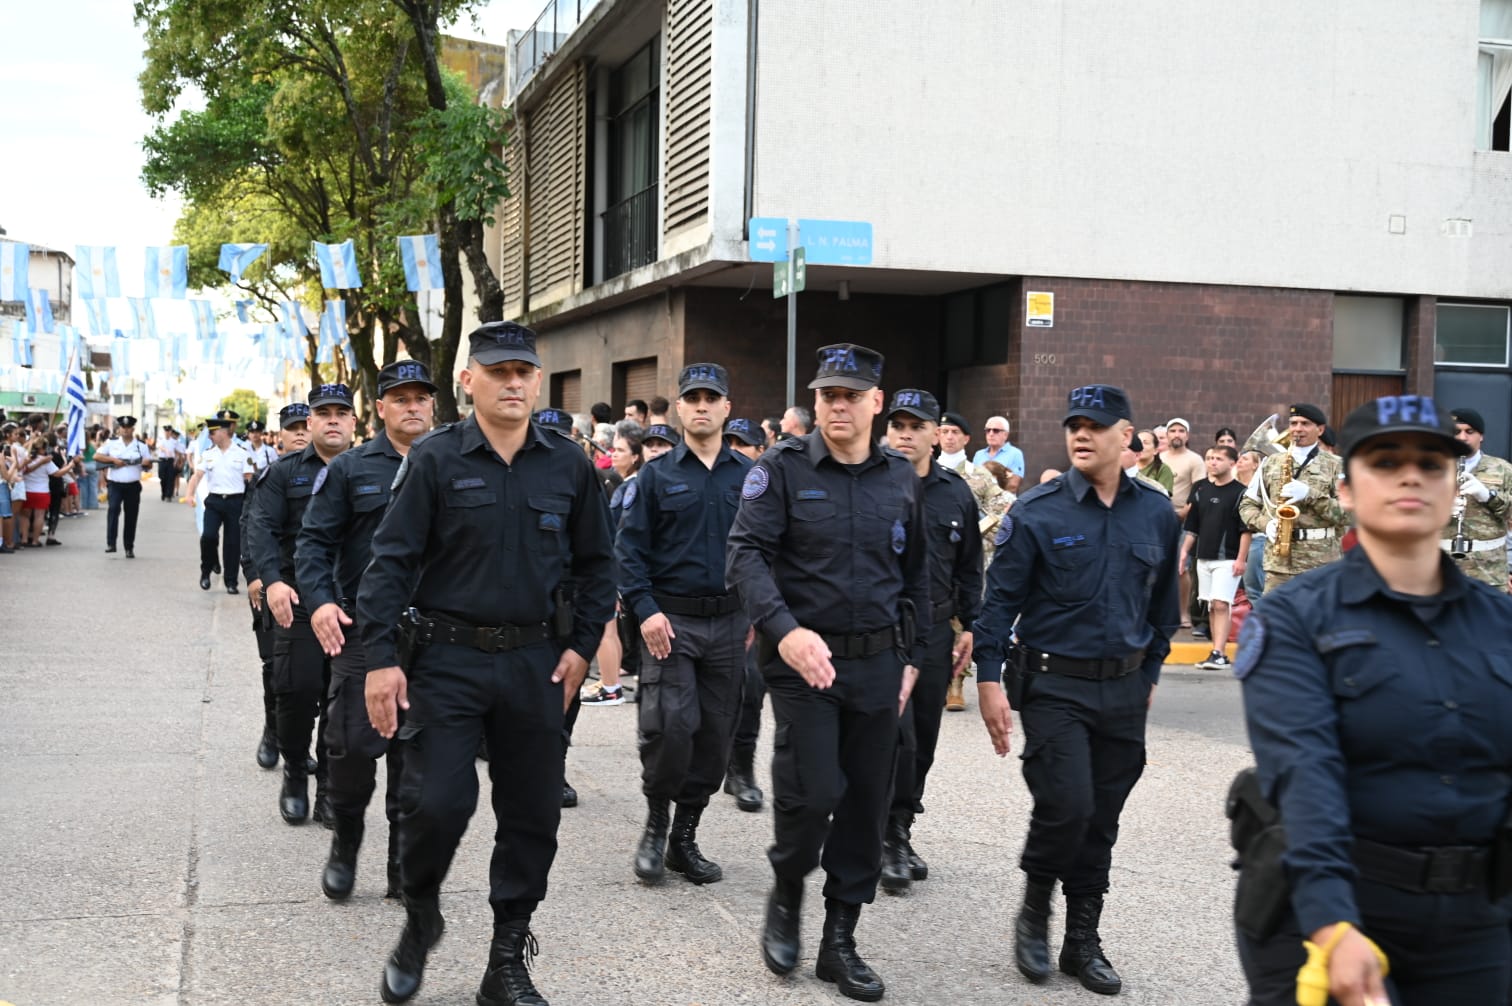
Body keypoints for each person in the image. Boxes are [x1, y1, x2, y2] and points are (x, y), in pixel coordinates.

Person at [357, 321, 614, 1006]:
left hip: (536, 663)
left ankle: (506, 958)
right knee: (435, 805)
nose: (512, 383)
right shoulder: (435, 459)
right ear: (469, 381)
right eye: (498, 372)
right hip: (446, 660)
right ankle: (421, 914)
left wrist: (582, 647)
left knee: (533, 814)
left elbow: (599, 564)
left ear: (538, 380)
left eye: (522, 372)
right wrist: (379, 660)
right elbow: (390, 563)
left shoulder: (569, 465)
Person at [1233, 394, 1512, 1006]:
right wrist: (1333, 926)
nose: (1411, 475)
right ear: (1348, 491)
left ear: (1453, 487)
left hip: (1474, 923)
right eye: (1385, 462)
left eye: (1432, 464)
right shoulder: (1294, 618)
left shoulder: (1501, 623)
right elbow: (1305, 774)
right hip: (1335, 904)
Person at [727, 342, 929, 1003]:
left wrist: (911, 658)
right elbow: (745, 554)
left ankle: (839, 940)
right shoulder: (781, 469)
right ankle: (788, 888)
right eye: (827, 395)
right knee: (812, 795)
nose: (837, 406)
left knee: (867, 803)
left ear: (876, 402)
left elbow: (916, 577)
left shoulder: (899, 477)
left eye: (850, 395)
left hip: (878, 663)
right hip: (803, 663)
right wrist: (784, 632)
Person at [972, 385, 1179, 996]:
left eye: (1096, 426)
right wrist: (988, 680)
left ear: (1127, 436)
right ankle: (1036, 908)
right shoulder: (1037, 511)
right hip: (1053, 683)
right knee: (1068, 804)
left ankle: (1082, 940)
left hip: (1124, 687)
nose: (1081, 435)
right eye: (1074, 426)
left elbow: (1164, 609)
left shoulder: (1155, 513)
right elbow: (998, 605)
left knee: (1102, 817)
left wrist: (1149, 674)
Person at [296, 360, 436, 903]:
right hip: (363, 629)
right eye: (400, 399)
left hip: (435, 635)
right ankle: (346, 840)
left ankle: (403, 860)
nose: (411, 407)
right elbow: (314, 543)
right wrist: (321, 604)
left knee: (418, 756)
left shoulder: (453, 463)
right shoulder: (351, 469)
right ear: (380, 409)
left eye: (420, 398)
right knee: (351, 747)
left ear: (432, 404)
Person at [618, 362, 752, 887]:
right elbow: (629, 551)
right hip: (670, 623)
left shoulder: (751, 478)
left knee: (715, 736)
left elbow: (767, 549)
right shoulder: (656, 476)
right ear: (678, 408)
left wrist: (759, 612)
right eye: (692, 398)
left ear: (726, 408)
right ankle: (655, 826)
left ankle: (684, 838)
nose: (701, 406)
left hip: (730, 623)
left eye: (710, 398)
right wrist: (646, 610)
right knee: (671, 727)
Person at [879, 389, 982, 895]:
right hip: (881, 633)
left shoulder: (955, 493)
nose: (905, 435)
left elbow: (970, 567)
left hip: (935, 631)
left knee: (922, 738)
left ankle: (899, 828)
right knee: (890, 737)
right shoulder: (870, 483)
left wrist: (971, 627)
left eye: (916, 426)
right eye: (897, 425)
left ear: (935, 435)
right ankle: (880, 831)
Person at [245, 384, 356, 826]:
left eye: (341, 413)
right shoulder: (283, 473)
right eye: (324, 413)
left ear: (354, 421)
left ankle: (328, 785)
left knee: (341, 702)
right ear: (310, 423)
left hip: (352, 603)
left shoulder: (373, 468)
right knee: (296, 691)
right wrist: (270, 580)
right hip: (298, 600)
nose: (333, 420)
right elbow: (261, 528)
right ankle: (295, 770)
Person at [243, 404, 312, 771]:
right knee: (275, 665)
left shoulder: (335, 472)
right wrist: (255, 576)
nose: (300, 433)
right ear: (280, 435)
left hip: (314, 588)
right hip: (273, 584)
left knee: (312, 674)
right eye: (292, 428)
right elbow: (249, 527)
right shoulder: (269, 476)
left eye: (305, 426)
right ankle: (273, 731)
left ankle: (300, 743)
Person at [1239, 405, 1348, 593]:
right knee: (1274, 612)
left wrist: (1310, 495)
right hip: (1279, 564)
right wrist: (1266, 524)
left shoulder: (1337, 465)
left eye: (1305, 424)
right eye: (1293, 423)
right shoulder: (1270, 463)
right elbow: (1247, 505)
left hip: (1322, 562)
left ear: (1320, 430)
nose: (1298, 429)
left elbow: (1349, 514)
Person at [721, 416, 769, 812]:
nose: (735, 451)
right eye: (730, 443)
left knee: (751, 687)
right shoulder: (715, 480)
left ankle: (742, 770)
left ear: (760, 451)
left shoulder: (771, 485)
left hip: (755, 604)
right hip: (712, 603)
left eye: (744, 444)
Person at [1179, 444, 1251, 669]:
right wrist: (1184, 552)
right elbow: (1193, 525)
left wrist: (1241, 559)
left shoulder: (1241, 492)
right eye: (1210, 458)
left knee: (1221, 603)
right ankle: (1215, 652)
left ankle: (1220, 653)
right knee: (1211, 605)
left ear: (1232, 463)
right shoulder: (1201, 488)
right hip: (1203, 557)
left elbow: (1246, 530)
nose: (1212, 462)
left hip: (1228, 558)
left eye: (1219, 458)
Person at [181, 418, 254, 593]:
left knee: (233, 543)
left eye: (212, 433)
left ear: (224, 432)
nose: (210, 436)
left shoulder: (243, 453)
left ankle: (231, 581)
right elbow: (197, 476)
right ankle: (206, 571)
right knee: (208, 536)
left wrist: (252, 504)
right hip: (214, 501)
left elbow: (250, 480)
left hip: (236, 502)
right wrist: (189, 494)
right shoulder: (208, 454)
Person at [1444, 407, 1511, 590]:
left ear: (1481, 436)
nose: (1462, 437)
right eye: (1456, 432)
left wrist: (1489, 496)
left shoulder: (1503, 469)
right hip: (1442, 570)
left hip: (1490, 573)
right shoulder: (1431, 468)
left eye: (1470, 431)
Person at [96, 416, 152, 558]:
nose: (125, 430)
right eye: (123, 427)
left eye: (128, 428)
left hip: (133, 485)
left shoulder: (141, 446)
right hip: (115, 484)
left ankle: (129, 547)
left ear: (133, 429)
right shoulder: (111, 443)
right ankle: (111, 543)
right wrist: (114, 460)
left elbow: (148, 464)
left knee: (131, 516)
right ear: (119, 429)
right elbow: (97, 456)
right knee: (113, 510)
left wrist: (146, 463)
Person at [973, 415, 1026, 479]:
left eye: (996, 430)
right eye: (988, 430)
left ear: (1005, 435)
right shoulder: (979, 454)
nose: (991, 434)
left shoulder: (1015, 454)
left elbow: (1014, 482)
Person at [156, 426, 184, 501]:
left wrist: (178, 460)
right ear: (164, 432)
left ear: (170, 432)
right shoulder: (161, 440)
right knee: (162, 478)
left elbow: (179, 451)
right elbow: (159, 446)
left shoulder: (174, 442)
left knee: (170, 478)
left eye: (168, 431)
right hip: (162, 460)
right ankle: (164, 493)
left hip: (170, 461)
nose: (167, 433)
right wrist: (165, 450)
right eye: (166, 431)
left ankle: (169, 495)